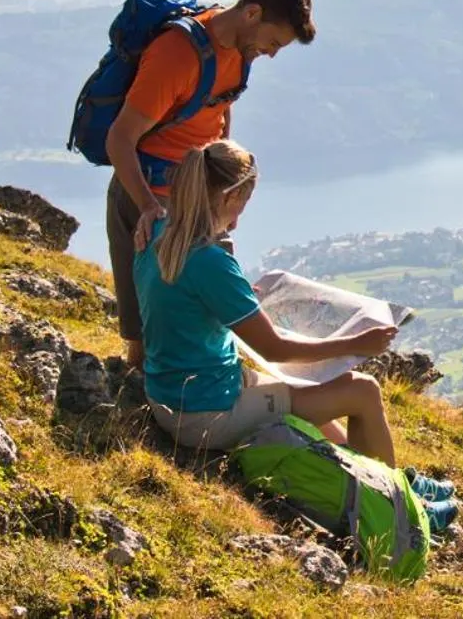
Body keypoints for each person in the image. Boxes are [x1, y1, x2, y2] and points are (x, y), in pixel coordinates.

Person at [135, 139, 406, 460]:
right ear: (231, 196)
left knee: (310, 395)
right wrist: (358, 343)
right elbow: (275, 349)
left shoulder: (155, 230)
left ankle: (366, 472)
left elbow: (186, 302)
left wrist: (240, 298)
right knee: (363, 391)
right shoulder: (210, 262)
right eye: (242, 205)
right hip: (206, 414)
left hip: (181, 392)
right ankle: (397, 501)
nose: (236, 221)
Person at [107, 0, 316, 369]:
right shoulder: (177, 55)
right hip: (148, 196)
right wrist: (149, 208)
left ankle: (202, 411)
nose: (271, 53)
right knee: (147, 336)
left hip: (199, 199)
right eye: (273, 42)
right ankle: (143, 421)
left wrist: (225, 191)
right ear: (252, 13)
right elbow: (119, 139)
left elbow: (220, 111)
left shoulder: (238, 52)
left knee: (212, 320)